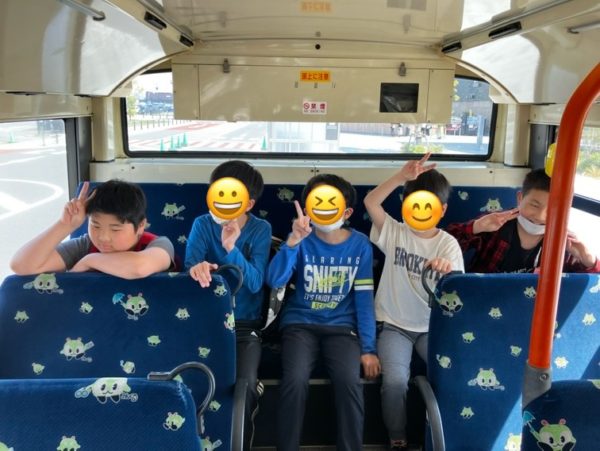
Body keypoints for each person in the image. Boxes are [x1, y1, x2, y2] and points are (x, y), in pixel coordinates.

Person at [267, 174, 380, 451]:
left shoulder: (360, 245)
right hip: (300, 323)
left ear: (347, 212)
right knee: (294, 380)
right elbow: (275, 279)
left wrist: (368, 348)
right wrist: (294, 240)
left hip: (342, 328)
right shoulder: (301, 240)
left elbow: (364, 300)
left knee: (349, 381)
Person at [364, 153, 464, 450]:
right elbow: (371, 202)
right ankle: (397, 436)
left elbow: (459, 292)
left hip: (433, 327)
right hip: (394, 325)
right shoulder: (395, 232)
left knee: (452, 373)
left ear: (442, 210)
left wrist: (447, 271)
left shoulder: (447, 244)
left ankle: (447, 434)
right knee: (395, 381)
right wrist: (400, 177)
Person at [184, 160, 272, 451]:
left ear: (249, 203)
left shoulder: (260, 229)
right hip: (205, 322)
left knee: (243, 389)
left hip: (244, 325)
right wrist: (198, 270)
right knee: (193, 384)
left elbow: (256, 282)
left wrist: (232, 249)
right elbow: (189, 267)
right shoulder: (202, 224)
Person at [10, 179, 175, 278]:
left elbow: (140, 268)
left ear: (140, 226)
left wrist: (89, 260)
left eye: (115, 229)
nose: (103, 237)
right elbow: (22, 265)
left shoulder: (158, 244)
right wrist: (65, 225)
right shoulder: (85, 245)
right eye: (95, 225)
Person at [446, 168, 600, 273]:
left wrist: (588, 259)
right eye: (534, 205)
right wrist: (476, 227)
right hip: (485, 298)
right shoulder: (495, 225)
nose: (540, 216)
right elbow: (444, 244)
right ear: (520, 198)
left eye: (553, 210)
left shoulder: (563, 241)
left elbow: (587, 288)